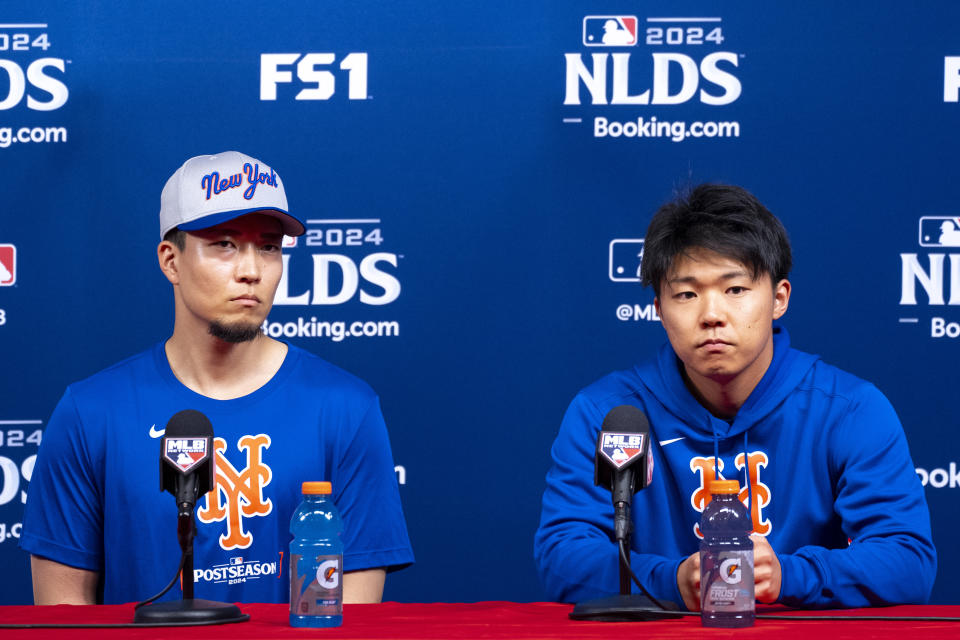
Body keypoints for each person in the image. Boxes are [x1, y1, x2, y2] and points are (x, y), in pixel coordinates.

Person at [21, 151, 413, 605]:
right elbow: (65, 622)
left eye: (268, 247)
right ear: (171, 261)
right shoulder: (89, 413)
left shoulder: (347, 409)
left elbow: (353, 622)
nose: (251, 270)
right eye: (224, 244)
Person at [534, 183, 936, 610]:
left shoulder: (849, 409)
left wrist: (789, 575)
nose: (711, 315)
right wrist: (671, 581)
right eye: (686, 294)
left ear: (778, 298)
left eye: (735, 290)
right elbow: (562, 556)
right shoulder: (606, 412)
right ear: (658, 309)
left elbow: (908, 561)